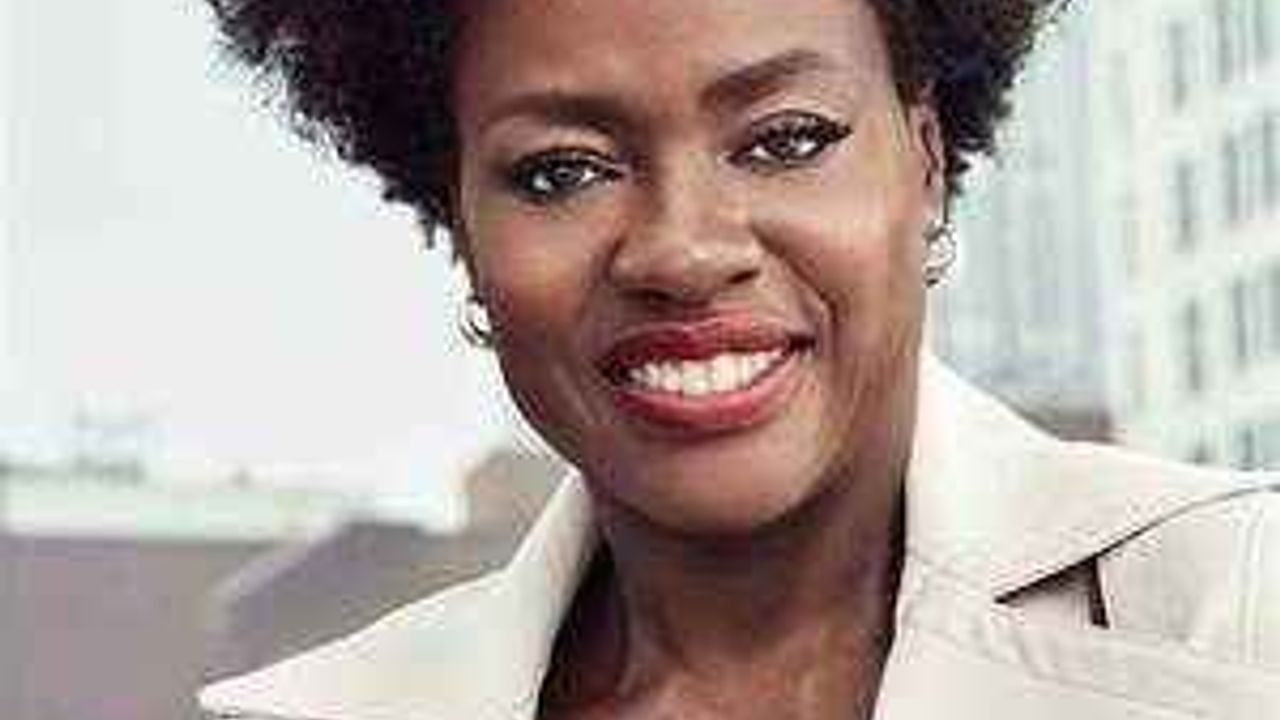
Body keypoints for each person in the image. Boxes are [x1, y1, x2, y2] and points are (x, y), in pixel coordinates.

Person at [197, 0, 1280, 718]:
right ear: (463, 232)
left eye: (785, 139)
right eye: (563, 171)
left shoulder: (1235, 611)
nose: (683, 252)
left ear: (926, 163)